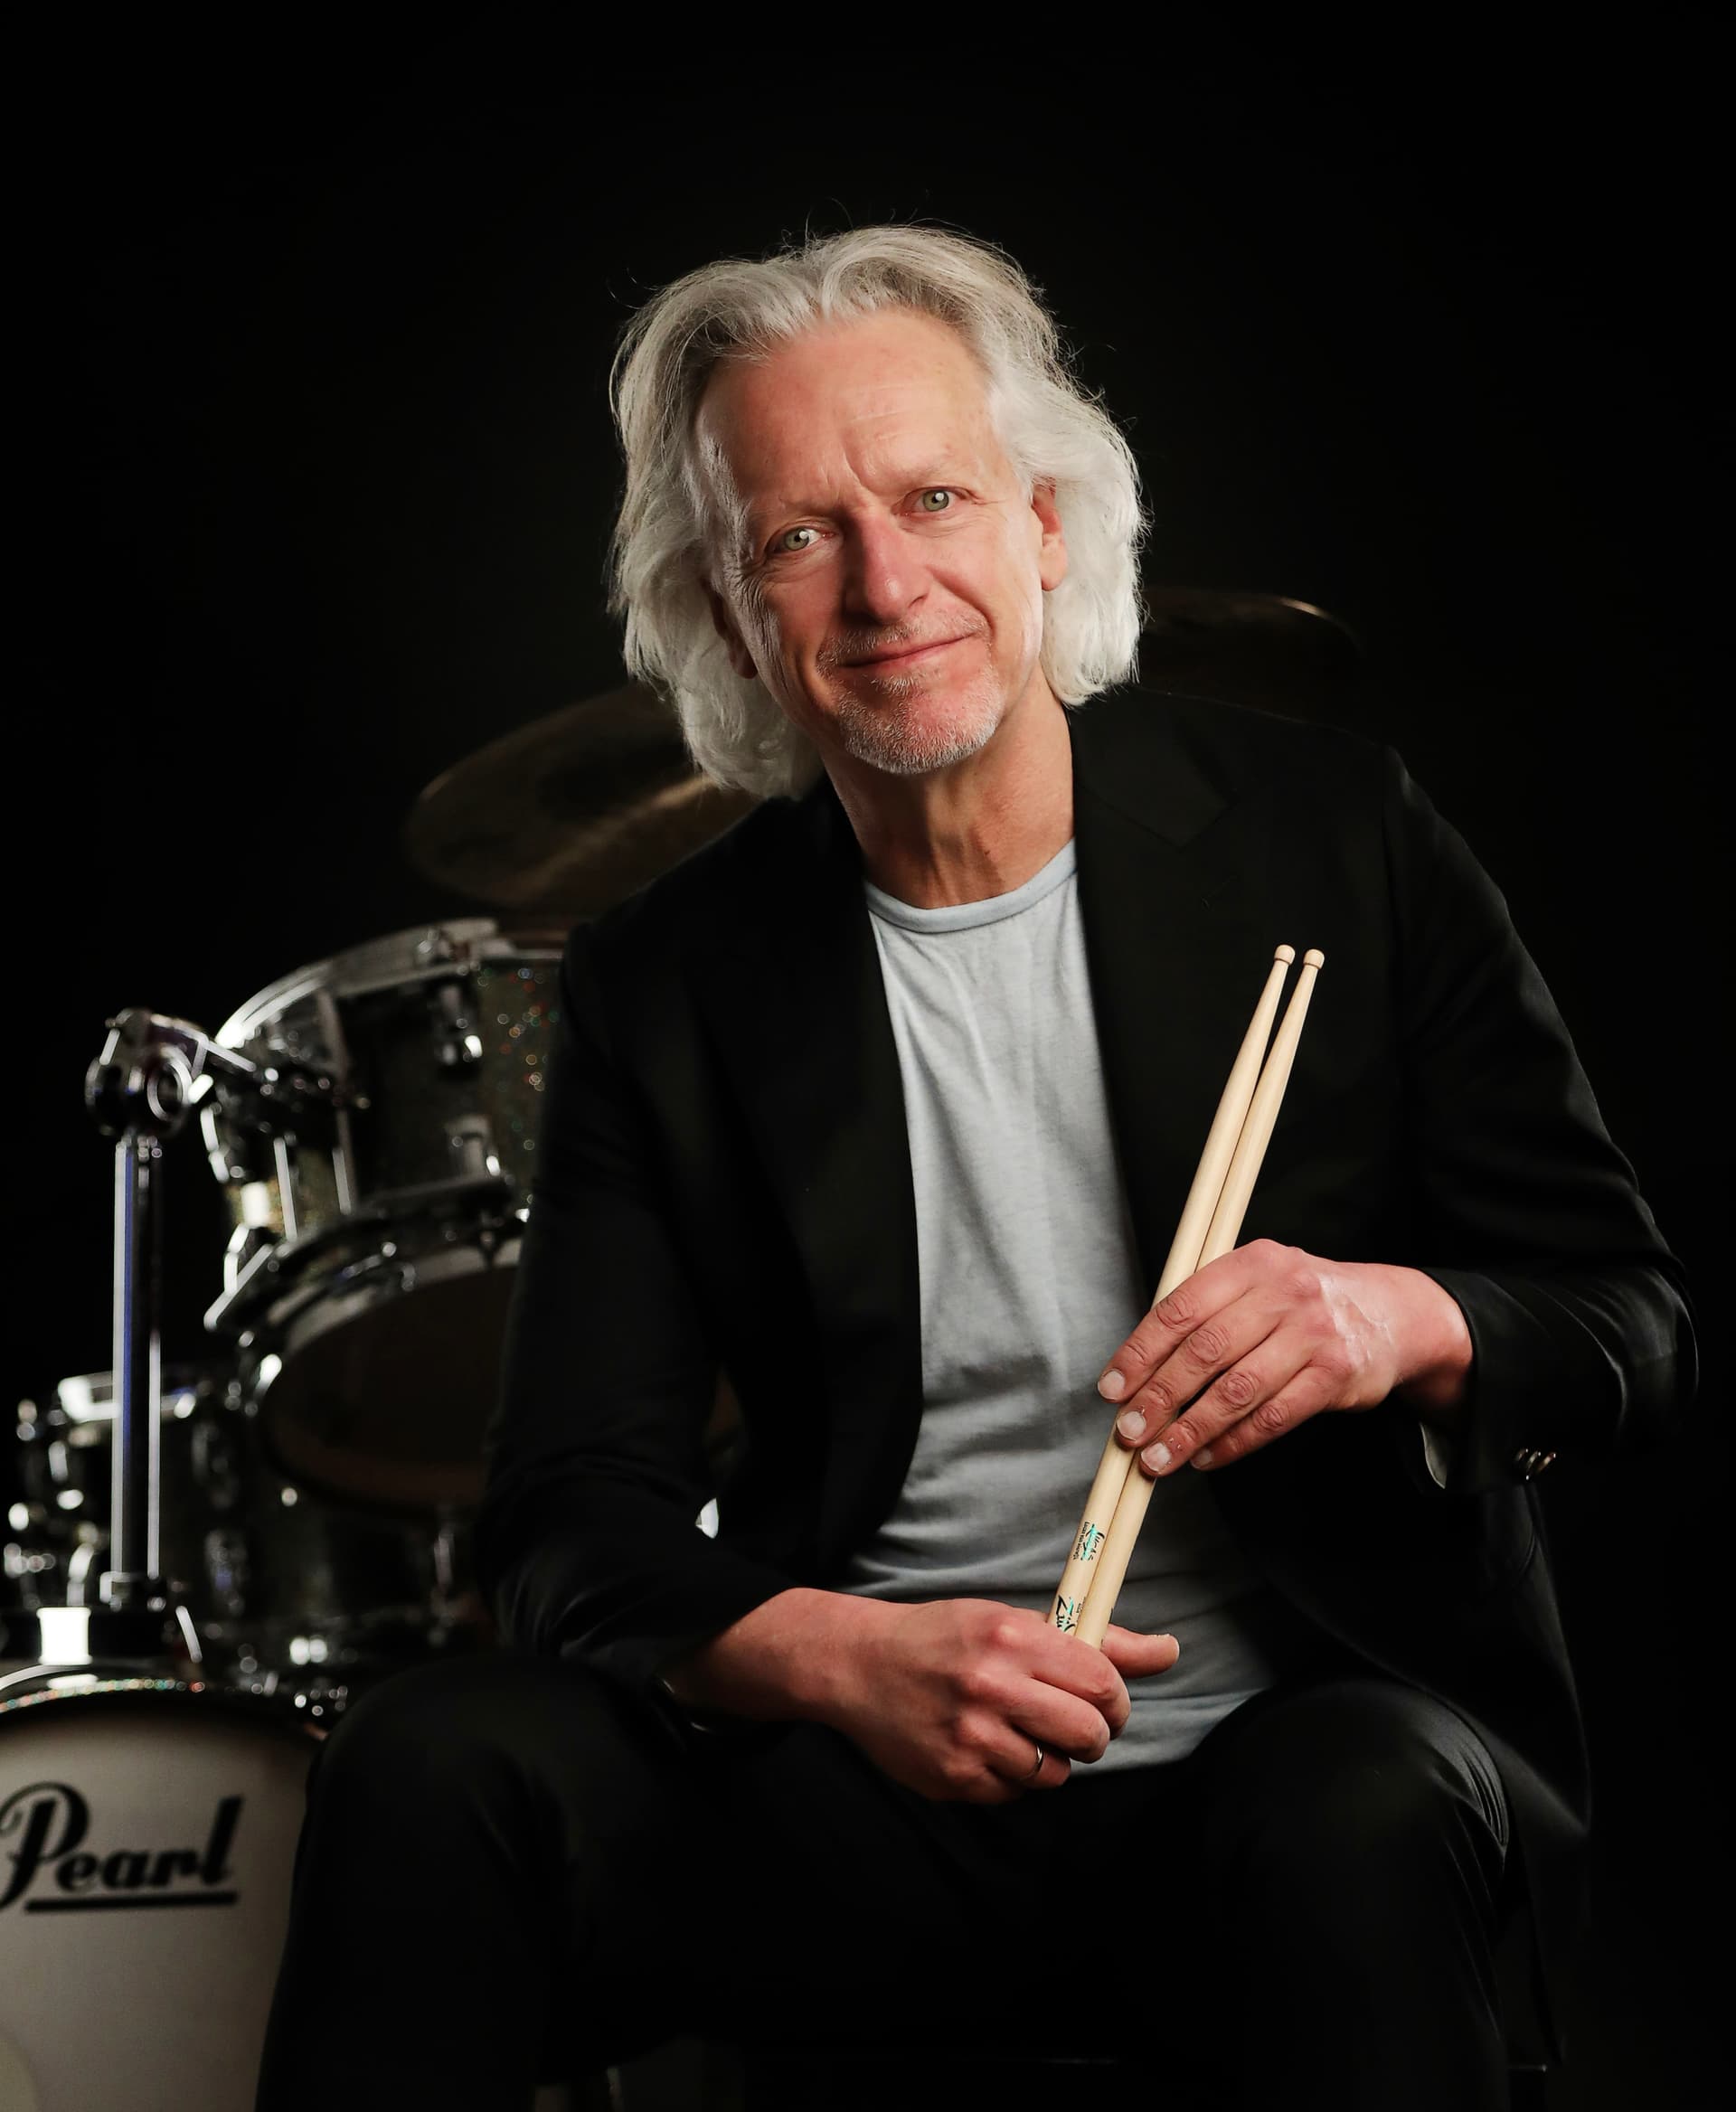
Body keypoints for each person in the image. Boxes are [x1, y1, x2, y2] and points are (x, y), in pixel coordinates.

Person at [257, 225, 1694, 2111]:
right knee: (433, 1759)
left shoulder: (1335, 842)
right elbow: (564, 1528)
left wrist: (1390, 1321)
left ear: (1042, 523)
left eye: (933, 497)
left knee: (1346, 1804)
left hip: (1276, 1771)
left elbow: (1627, 1324)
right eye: (797, 535)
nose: (883, 583)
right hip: (860, 1796)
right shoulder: (669, 979)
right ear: (730, 607)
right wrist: (845, 1662)